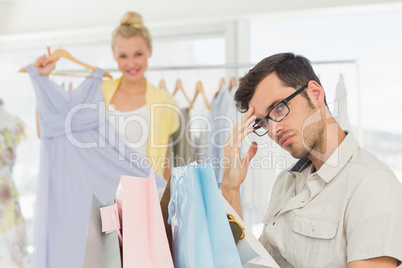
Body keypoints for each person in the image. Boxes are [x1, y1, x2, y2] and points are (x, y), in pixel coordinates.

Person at [221, 52, 402, 267]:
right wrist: (231, 188)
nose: (273, 129)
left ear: (315, 94)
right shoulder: (285, 183)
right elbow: (254, 263)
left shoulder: (372, 184)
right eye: (262, 123)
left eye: (279, 108)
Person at [35, 11, 179, 179]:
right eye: (123, 56)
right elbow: (47, 129)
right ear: (114, 55)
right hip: (99, 194)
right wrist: (42, 79)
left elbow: (164, 166)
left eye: (138, 54)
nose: (131, 63)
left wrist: (165, 203)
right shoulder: (96, 92)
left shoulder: (166, 103)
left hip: (143, 198)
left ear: (150, 51)